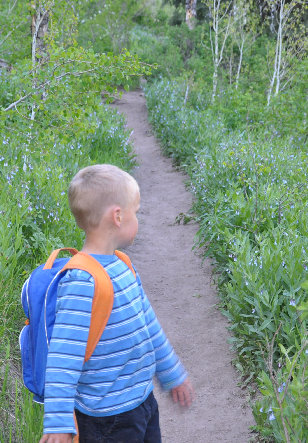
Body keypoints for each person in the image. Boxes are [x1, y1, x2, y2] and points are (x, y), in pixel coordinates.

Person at [39, 164, 194, 443]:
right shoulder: (81, 282)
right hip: (105, 419)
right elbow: (64, 357)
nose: (138, 218)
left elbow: (148, 325)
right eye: (136, 212)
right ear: (118, 216)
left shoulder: (123, 265)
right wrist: (59, 422)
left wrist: (172, 373)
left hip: (142, 401)